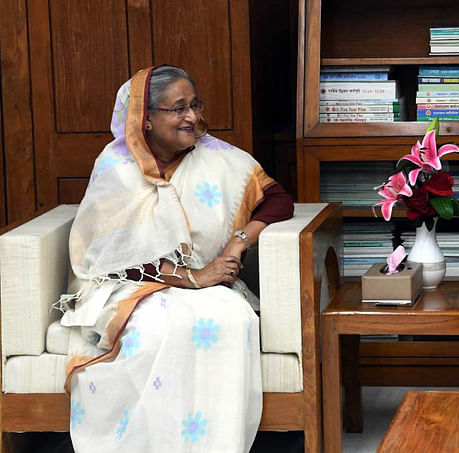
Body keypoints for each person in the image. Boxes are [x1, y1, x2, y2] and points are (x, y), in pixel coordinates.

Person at [58, 65, 294, 452]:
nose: (193, 117)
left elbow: (278, 200)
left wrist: (238, 243)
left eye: (195, 105)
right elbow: (113, 258)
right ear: (146, 119)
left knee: (232, 319)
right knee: (155, 331)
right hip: (132, 286)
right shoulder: (117, 167)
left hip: (210, 282)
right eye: (178, 108)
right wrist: (194, 277)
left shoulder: (219, 158)